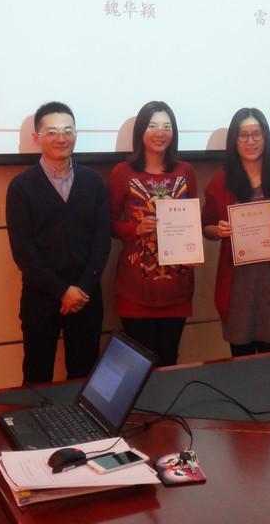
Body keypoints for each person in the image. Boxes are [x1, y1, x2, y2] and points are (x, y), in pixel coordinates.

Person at [6, 101, 110, 384]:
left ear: (76, 134)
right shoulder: (21, 187)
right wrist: (62, 291)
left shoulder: (93, 182)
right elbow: (23, 252)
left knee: (84, 377)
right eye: (52, 132)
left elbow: (102, 242)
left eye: (68, 131)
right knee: (37, 377)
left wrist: (82, 288)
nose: (61, 138)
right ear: (36, 137)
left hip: (86, 296)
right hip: (40, 297)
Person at [203, 107, 270, 357]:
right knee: (242, 360)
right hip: (237, 287)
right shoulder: (220, 182)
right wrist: (219, 230)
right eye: (243, 135)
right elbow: (206, 226)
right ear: (234, 140)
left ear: (265, 136)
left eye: (256, 134)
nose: (250, 141)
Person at [108, 101, 197, 366]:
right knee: (139, 365)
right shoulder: (122, 173)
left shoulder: (185, 172)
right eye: (153, 126)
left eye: (167, 126)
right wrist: (135, 228)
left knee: (169, 361)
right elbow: (107, 224)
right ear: (140, 132)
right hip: (135, 287)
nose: (160, 132)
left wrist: (192, 246)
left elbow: (192, 220)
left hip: (177, 285)